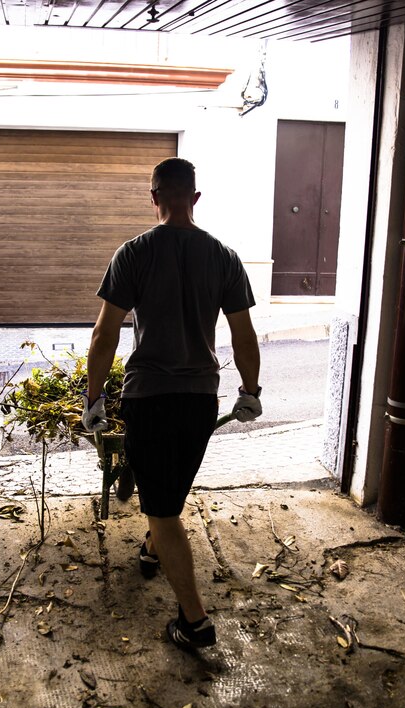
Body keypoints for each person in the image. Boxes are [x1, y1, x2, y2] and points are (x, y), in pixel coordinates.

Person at [81, 157, 262, 651]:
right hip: (201, 400)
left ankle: (194, 621)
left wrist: (93, 398)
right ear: (194, 198)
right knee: (169, 491)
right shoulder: (223, 256)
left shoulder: (134, 253)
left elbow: (104, 334)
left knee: (162, 508)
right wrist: (250, 391)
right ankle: (151, 547)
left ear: (154, 196)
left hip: (150, 400)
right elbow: (243, 333)